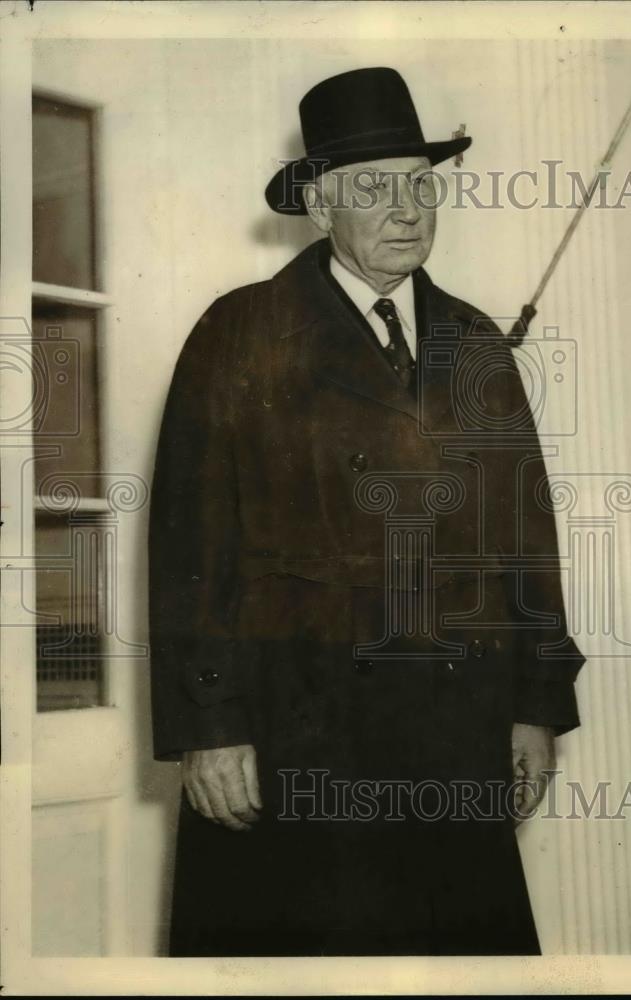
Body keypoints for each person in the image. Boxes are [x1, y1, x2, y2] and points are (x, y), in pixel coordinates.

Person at [149, 66, 585, 957]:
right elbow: (191, 550)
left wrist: (535, 706)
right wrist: (210, 728)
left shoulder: (476, 344)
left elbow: (523, 541)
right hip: (292, 737)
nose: (406, 210)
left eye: (421, 186)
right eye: (375, 189)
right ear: (318, 204)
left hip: (454, 735)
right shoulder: (239, 333)